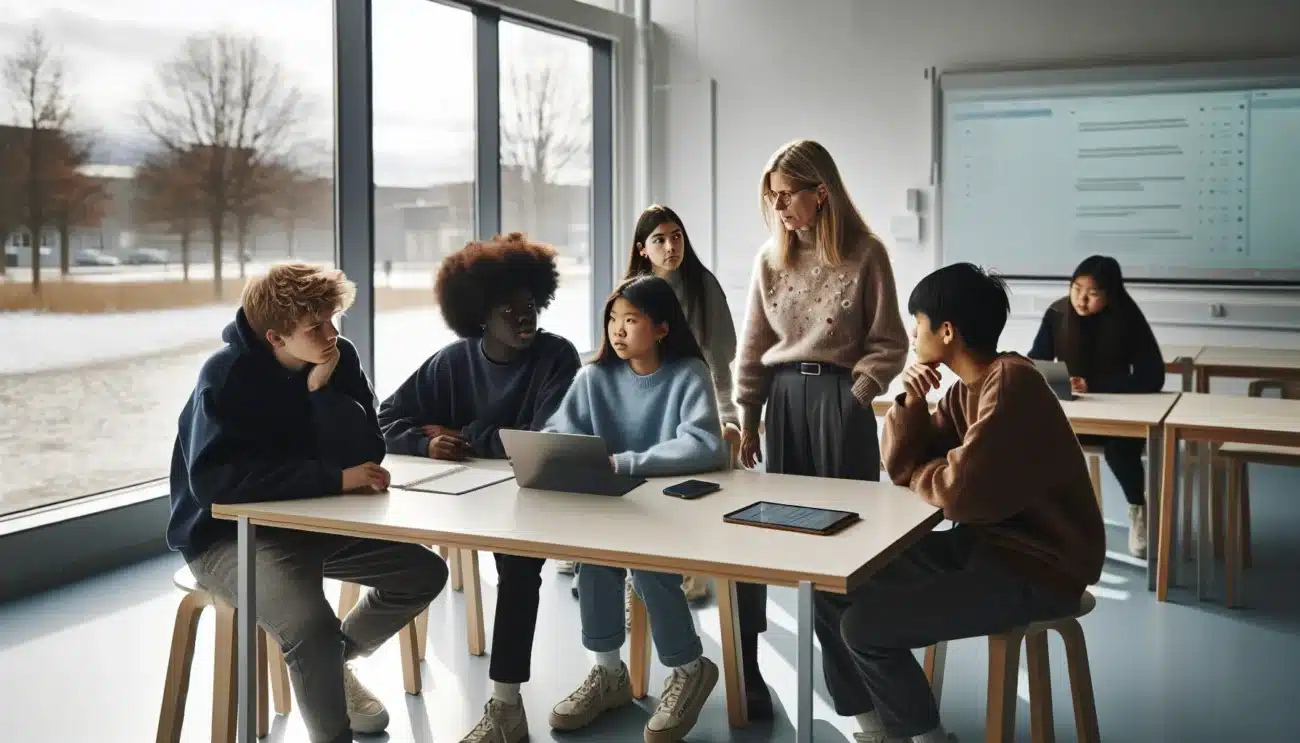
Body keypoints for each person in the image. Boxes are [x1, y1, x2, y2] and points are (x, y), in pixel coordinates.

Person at [813, 262, 1104, 743]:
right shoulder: (966, 390)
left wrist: (928, 474)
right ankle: (878, 729)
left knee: (864, 628)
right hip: (984, 549)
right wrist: (909, 402)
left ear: (946, 331)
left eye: (917, 323)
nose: (912, 334)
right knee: (831, 585)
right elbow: (902, 467)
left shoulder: (1011, 383)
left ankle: (929, 737)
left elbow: (956, 493)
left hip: (1038, 568)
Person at [168, 263, 448, 743]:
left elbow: (368, 450)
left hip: (311, 523)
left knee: (424, 574)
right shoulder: (226, 375)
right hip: (227, 536)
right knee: (310, 628)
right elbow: (218, 485)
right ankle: (323, 675)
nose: (331, 333)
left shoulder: (338, 358)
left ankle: (328, 664)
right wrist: (333, 479)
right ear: (276, 337)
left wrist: (321, 392)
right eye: (315, 326)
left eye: (332, 318)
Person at [377, 234, 581, 743]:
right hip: (464, 500)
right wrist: (426, 444)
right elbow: (386, 419)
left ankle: (506, 705)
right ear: (480, 316)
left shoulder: (557, 356)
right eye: (508, 309)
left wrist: (463, 435)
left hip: (533, 499)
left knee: (519, 567)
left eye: (530, 305)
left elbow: (543, 441)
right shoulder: (452, 362)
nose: (524, 316)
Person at [733, 139, 908, 718]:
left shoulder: (867, 254)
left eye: (787, 195)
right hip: (783, 401)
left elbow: (890, 341)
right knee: (786, 546)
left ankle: (863, 702)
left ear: (821, 192)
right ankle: (796, 687)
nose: (778, 207)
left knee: (844, 556)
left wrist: (858, 396)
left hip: (840, 400)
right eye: (772, 198)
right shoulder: (769, 260)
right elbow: (753, 347)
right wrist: (749, 416)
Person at [544, 275, 729, 743]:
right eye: (612, 318)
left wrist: (625, 461)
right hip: (614, 509)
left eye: (631, 319)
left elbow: (705, 445)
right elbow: (560, 434)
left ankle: (689, 668)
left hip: (676, 512)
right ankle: (608, 673)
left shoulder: (689, 373)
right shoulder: (593, 378)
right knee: (594, 557)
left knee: (647, 563)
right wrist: (547, 452)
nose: (617, 329)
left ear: (662, 328)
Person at [556, 205, 740, 599]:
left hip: (702, 393)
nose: (672, 247)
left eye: (677, 237)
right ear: (642, 248)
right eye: (660, 239)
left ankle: (682, 568)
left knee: (710, 451)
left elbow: (721, 355)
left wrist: (726, 413)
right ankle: (601, 561)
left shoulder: (702, 289)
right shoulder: (622, 314)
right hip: (642, 419)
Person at [1028, 254, 1163, 557]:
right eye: (1076, 289)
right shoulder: (1058, 313)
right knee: (1036, 441)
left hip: (1120, 415)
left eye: (1093, 293)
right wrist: (1047, 376)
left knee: (1119, 451)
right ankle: (1052, 519)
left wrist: (1095, 385)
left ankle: (1138, 509)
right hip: (1075, 413)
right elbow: (1037, 358)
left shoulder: (1128, 318)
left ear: (1110, 294)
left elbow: (1153, 376)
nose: (1081, 299)